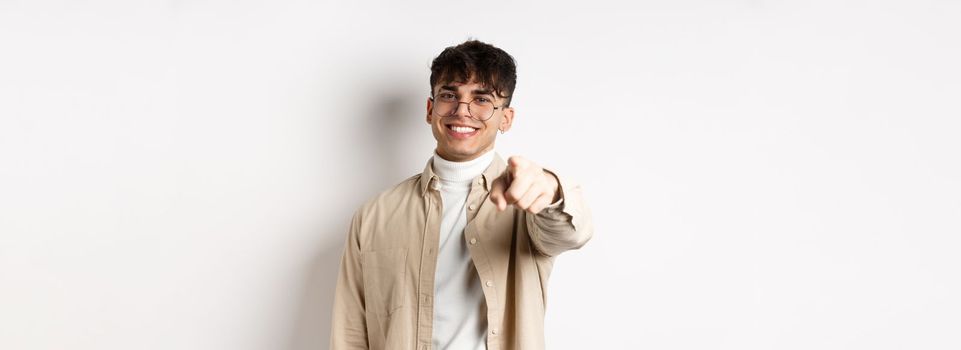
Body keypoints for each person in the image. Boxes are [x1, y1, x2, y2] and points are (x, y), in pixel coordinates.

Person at [330, 39, 594, 350]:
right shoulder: (374, 215)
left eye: (482, 99)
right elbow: (350, 333)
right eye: (449, 96)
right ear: (430, 110)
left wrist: (551, 189)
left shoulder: (527, 202)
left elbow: (570, 232)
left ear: (505, 118)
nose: (461, 111)